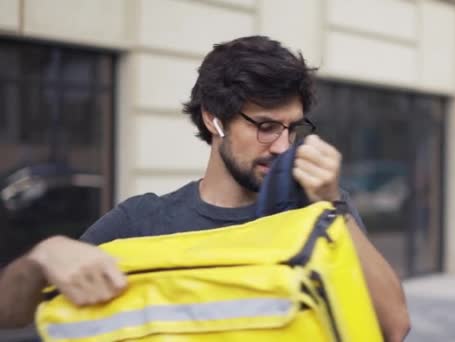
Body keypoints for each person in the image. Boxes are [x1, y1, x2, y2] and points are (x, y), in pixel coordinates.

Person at [0, 36, 410, 341]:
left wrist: (331, 203)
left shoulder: (320, 208)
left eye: (293, 127)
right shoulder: (142, 220)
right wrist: (42, 257)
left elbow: (394, 327)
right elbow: (10, 313)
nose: (284, 145)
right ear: (214, 120)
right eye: (266, 126)